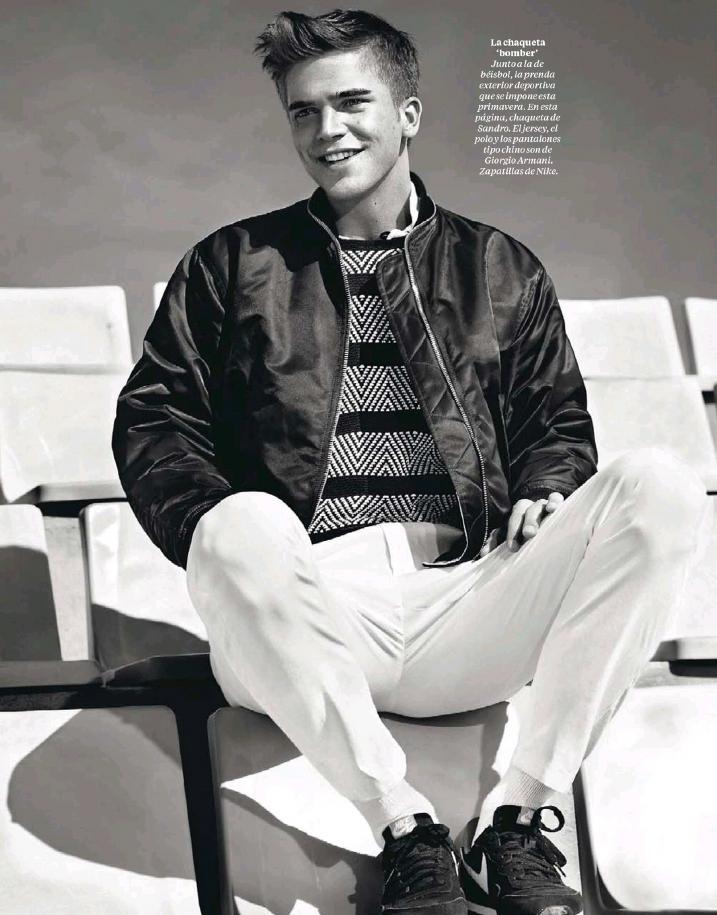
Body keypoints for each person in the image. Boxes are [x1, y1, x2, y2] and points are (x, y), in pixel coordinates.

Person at [112, 9, 712, 915]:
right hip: (309, 610)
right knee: (236, 520)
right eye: (304, 111)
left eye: (351, 103)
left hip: (468, 599)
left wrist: (548, 487)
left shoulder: (498, 267)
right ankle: (404, 828)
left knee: (660, 486)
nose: (327, 130)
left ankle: (520, 821)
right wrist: (224, 534)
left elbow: (553, 418)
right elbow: (155, 420)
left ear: (409, 113)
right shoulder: (233, 264)